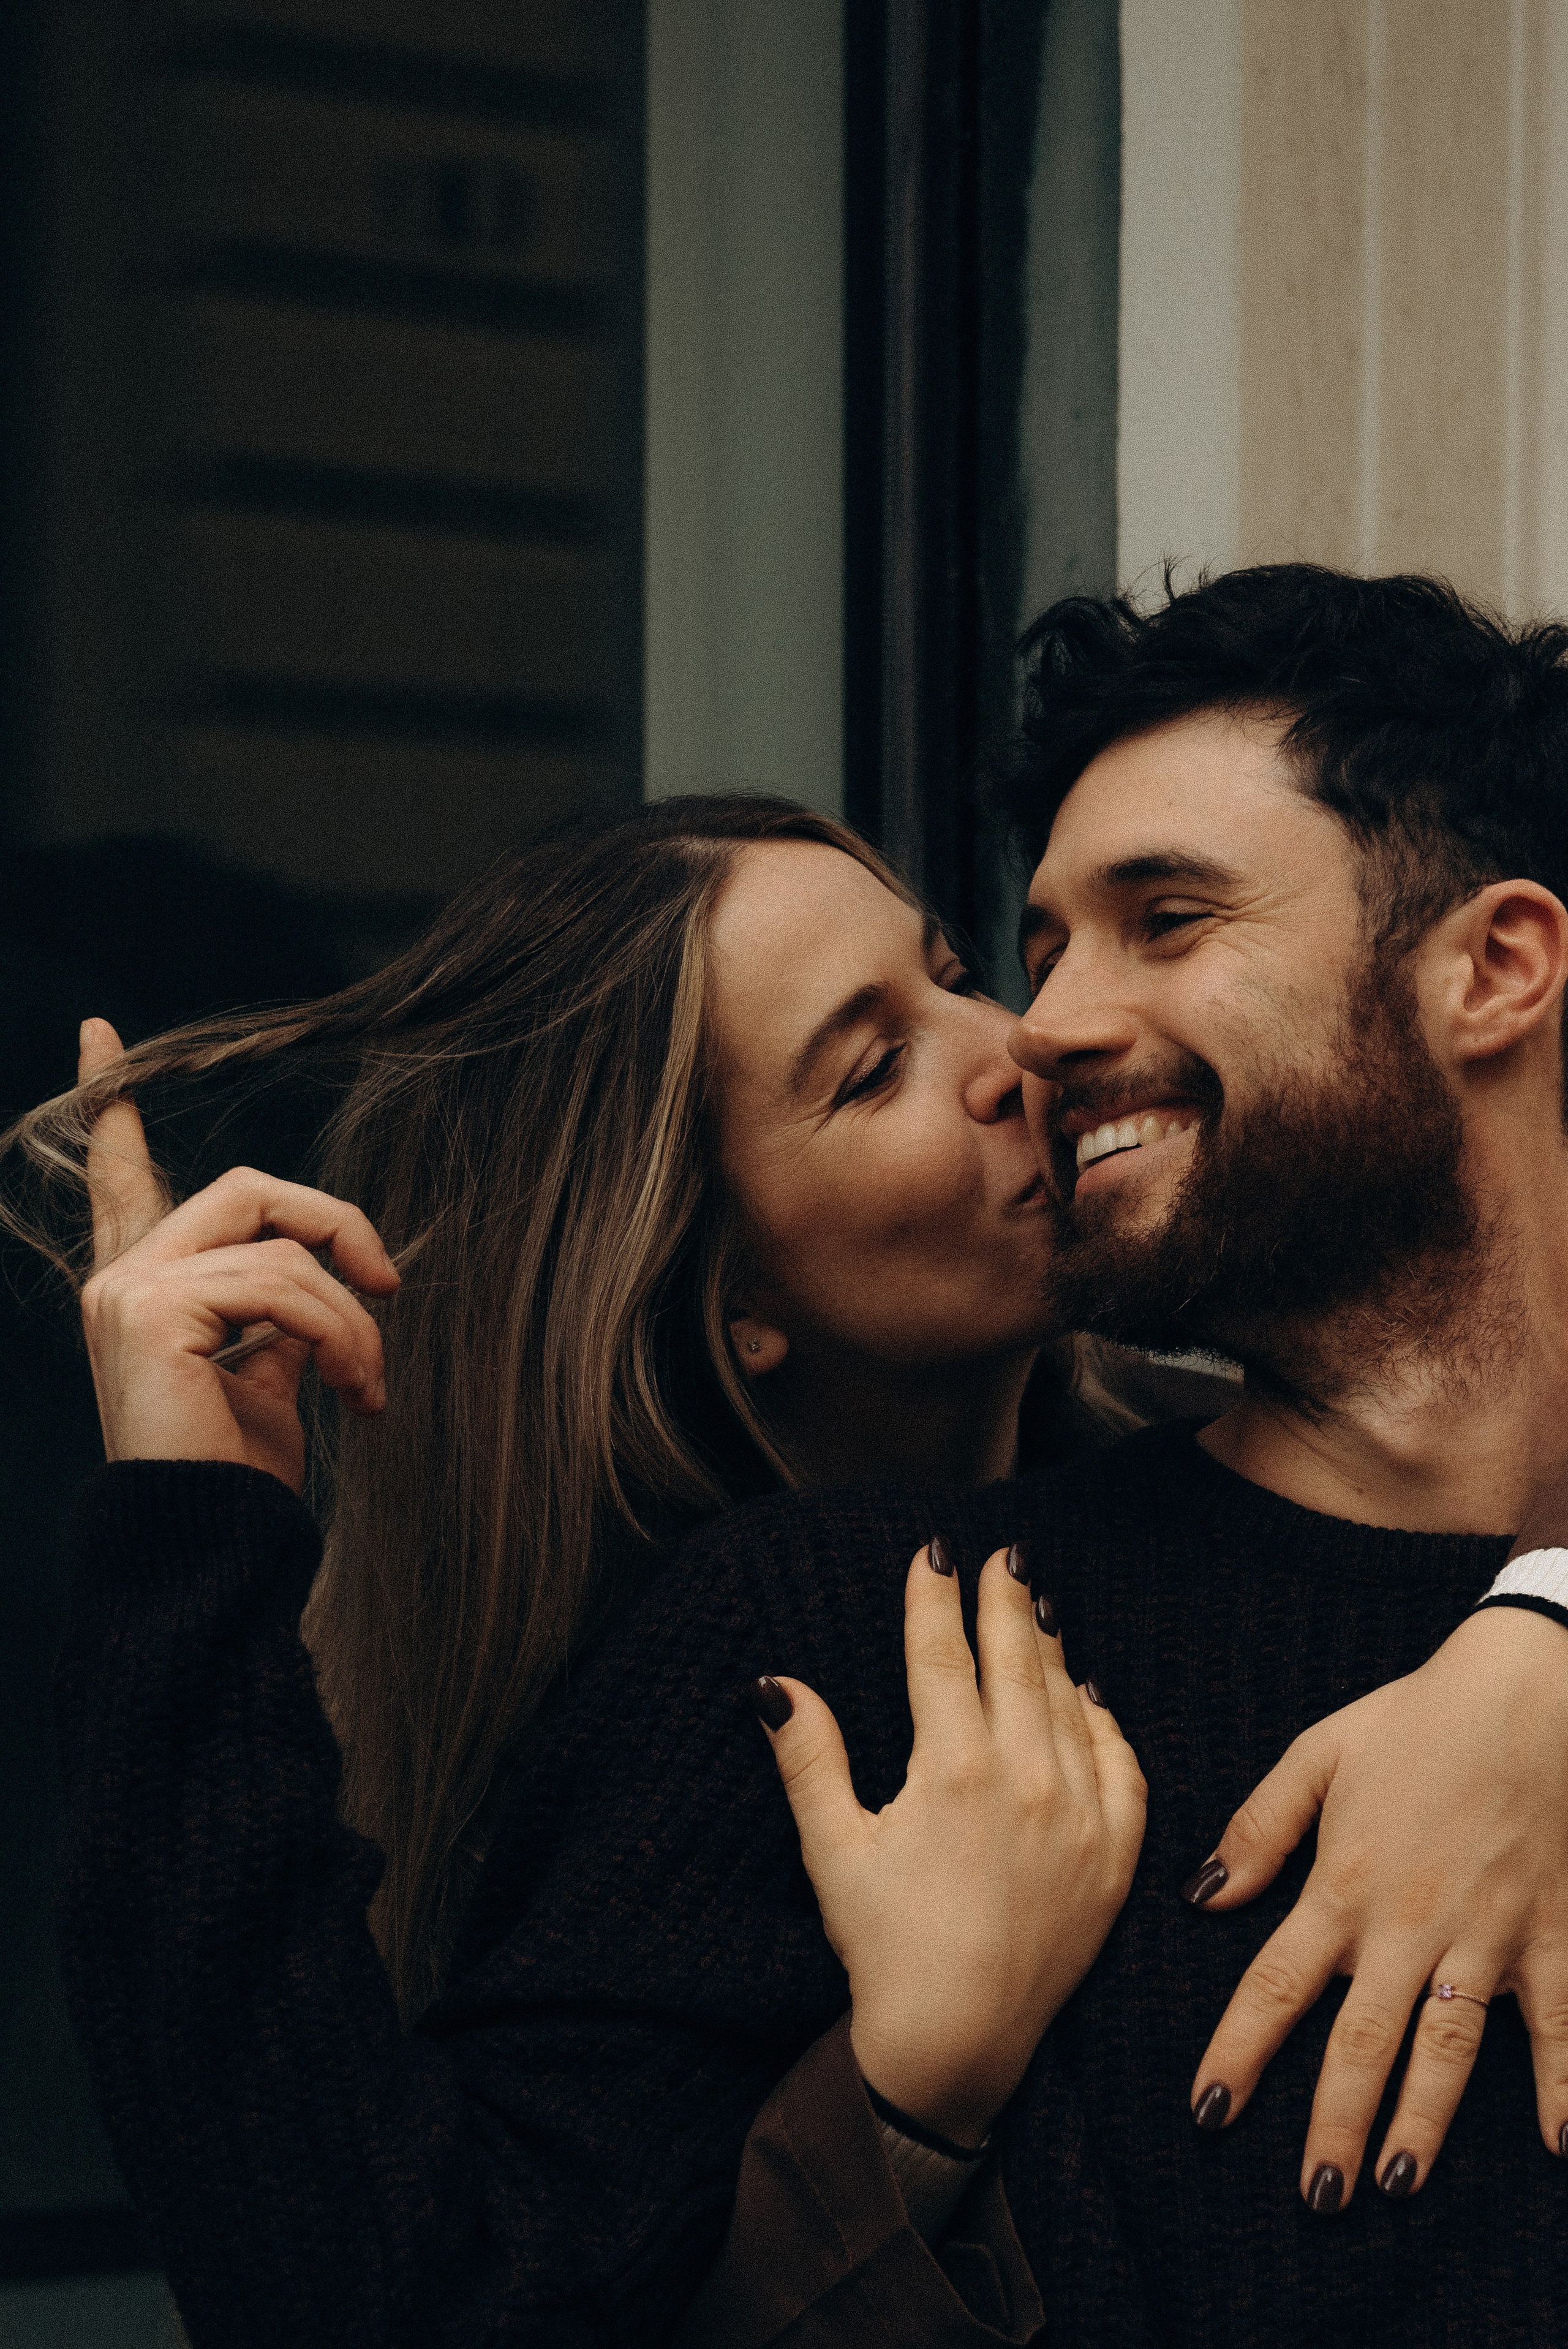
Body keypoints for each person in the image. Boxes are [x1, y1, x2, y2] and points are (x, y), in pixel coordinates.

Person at [21, 743, 1568, 2345]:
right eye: (868, 1067)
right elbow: (388, 2288)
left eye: (959, 977)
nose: (1021, 1049)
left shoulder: (1269, 1494)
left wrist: (1546, 1629)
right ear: (732, 1295)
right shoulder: (742, 1680)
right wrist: (911, 2088)